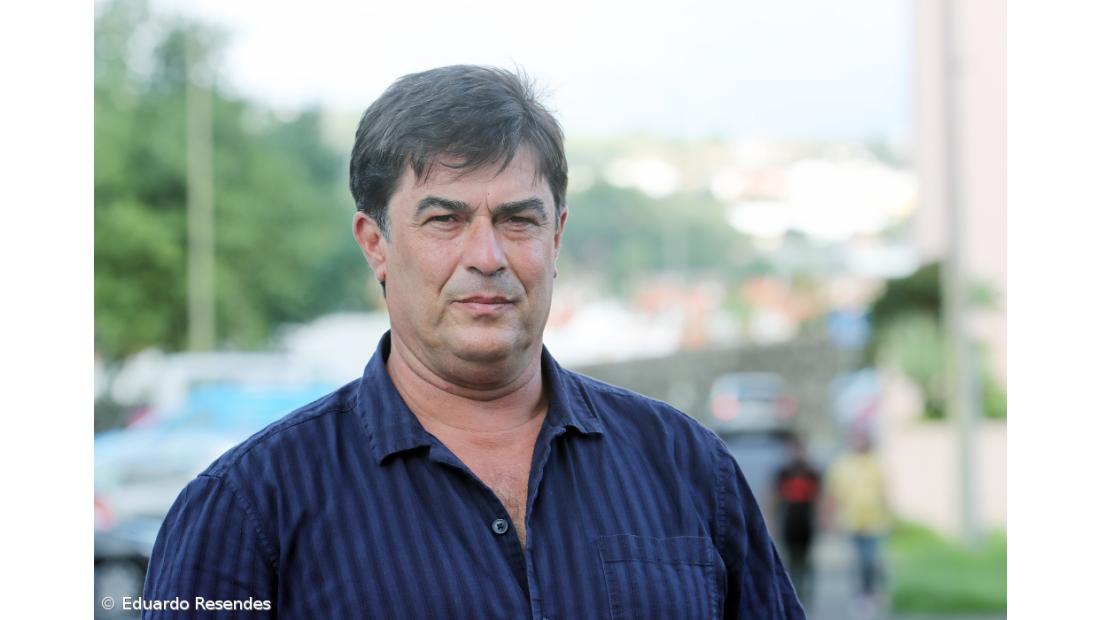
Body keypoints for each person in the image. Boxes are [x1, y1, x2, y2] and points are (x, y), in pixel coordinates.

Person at [142, 65, 804, 619]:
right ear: (375, 244)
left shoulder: (688, 470)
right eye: (444, 220)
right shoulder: (248, 508)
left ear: (556, 236)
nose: (486, 256)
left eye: (518, 220)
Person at [824, 428, 891, 619]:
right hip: (851, 521)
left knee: (870, 560)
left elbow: (884, 492)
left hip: (875, 522)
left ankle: (871, 593)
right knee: (856, 562)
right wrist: (830, 520)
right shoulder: (842, 465)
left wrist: (889, 517)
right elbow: (832, 494)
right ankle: (860, 596)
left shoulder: (876, 463)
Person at [773, 437, 821, 604]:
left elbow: (818, 498)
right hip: (789, 523)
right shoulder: (783, 473)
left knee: (806, 559)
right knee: (791, 559)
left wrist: (821, 520)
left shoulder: (812, 473)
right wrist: (772, 521)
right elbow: (774, 497)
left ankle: (805, 593)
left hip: (806, 523)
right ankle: (793, 592)